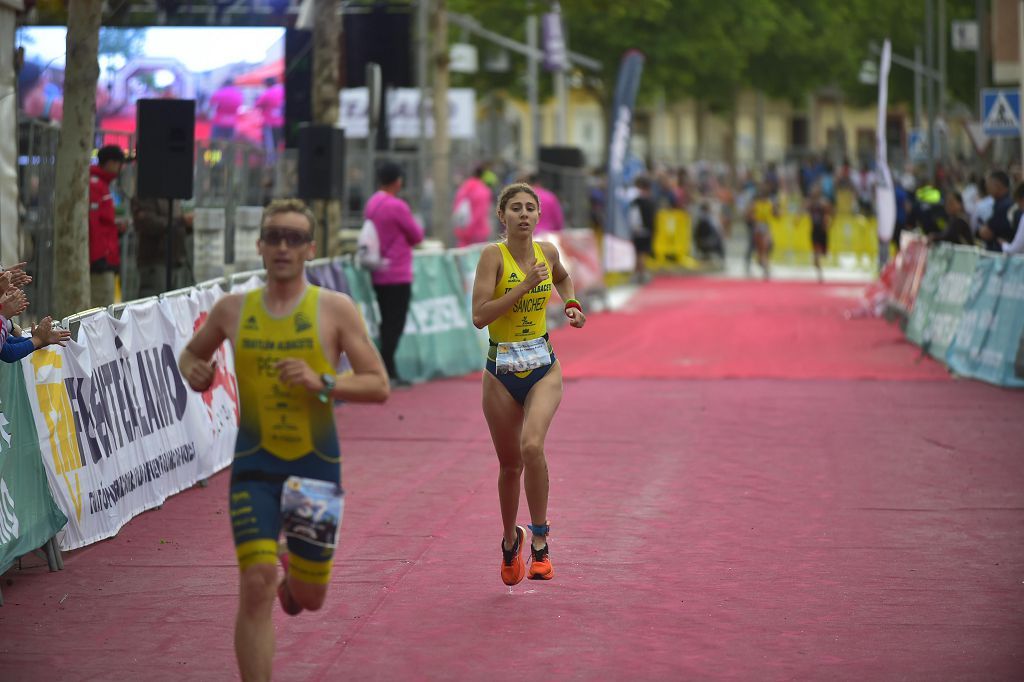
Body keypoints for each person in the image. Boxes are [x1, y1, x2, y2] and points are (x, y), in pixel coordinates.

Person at [178, 199, 390, 682]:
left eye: (294, 238)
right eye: (273, 236)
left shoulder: (335, 309)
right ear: (259, 245)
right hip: (254, 467)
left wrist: (325, 382)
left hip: (315, 467)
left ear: (310, 249)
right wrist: (197, 372)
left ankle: (294, 578)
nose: (282, 247)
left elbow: (377, 384)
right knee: (254, 581)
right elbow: (192, 358)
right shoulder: (233, 310)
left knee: (309, 601)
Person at [470, 182, 586, 586]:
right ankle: (509, 539)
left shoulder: (547, 252)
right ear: (502, 216)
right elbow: (479, 316)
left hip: (542, 367)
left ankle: (540, 542)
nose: (524, 214)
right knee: (509, 466)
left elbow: (564, 277)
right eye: (515, 208)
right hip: (500, 372)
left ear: (539, 216)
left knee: (532, 446)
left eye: (530, 208)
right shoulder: (492, 256)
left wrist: (571, 303)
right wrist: (521, 287)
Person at [364, 162, 425, 385]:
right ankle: (387, 370)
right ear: (398, 181)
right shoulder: (397, 206)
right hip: (397, 272)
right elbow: (416, 235)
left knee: (385, 321)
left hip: (378, 270)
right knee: (395, 323)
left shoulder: (372, 203)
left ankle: (385, 368)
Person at [131, 197, 193, 298]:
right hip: (156, 263)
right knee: (155, 304)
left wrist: (187, 225)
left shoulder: (173, 197)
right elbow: (148, 223)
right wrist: (181, 221)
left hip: (175, 261)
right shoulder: (146, 195)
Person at [89, 145, 127, 308]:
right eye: (119, 163)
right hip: (100, 262)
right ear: (110, 163)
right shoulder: (96, 185)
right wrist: (98, 258)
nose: (120, 168)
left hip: (106, 259)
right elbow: (93, 224)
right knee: (101, 309)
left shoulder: (102, 185)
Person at [452, 165, 494, 247]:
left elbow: (457, 209)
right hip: (478, 234)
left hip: (463, 234)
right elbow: (480, 214)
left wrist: (462, 231)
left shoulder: (463, 189)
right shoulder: (484, 190)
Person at [979, 171, 1015, 252]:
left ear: (997, 185)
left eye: (988, 185)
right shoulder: (1000, 203)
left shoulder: (1005, 205)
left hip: (1002, 255)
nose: (986, 188)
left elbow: (987, 233)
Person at [629, 175, 656, 282]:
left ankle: (639, 273)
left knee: (639, 253)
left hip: (639, 230)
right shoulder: (649, 201)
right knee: (641, 253)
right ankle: (640, 273)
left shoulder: (637, 201)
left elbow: (633, 217)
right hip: (646, 229)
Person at [805, 185, 832, 282]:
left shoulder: (823, 203)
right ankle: (819, 272)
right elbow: (803, 209)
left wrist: (828, 224)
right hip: (815, 230)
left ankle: (818, 262)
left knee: (823, 253)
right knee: (816, 252)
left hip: (822, 230)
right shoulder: (810, 203)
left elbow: (829, 213)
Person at [254, 77, 284, 161]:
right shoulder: (282, 90)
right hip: (282, 123)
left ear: (267, 84)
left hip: (270, 123)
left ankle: (271, 164)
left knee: (270, 145)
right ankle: (279, 162)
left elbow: (257, 104)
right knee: (279, 144)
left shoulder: (267, 93)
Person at [209, 77, 244, 141]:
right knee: (229, 142)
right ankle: (228, 151)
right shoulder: (238, 93)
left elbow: (211, 103)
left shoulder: (220, 92)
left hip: (219, 120)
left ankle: (216, 151)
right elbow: (240, 104)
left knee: (215, 142)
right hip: (232, 121)